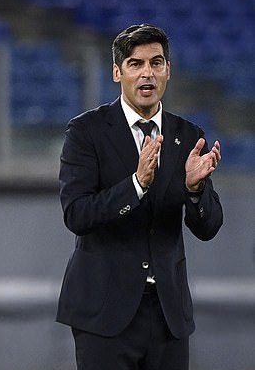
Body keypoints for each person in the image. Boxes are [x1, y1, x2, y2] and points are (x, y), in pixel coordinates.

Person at [56, 24, 223, 370]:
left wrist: (195, 190)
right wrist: (135, 185)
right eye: (136, 63)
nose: (147, 73)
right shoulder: (86, 132)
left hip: (168, 315)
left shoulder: (188, 135)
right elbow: (77, 214)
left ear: (168, 70)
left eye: (156, 63)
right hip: (104, 316)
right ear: (117, 73)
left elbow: (208, 227)